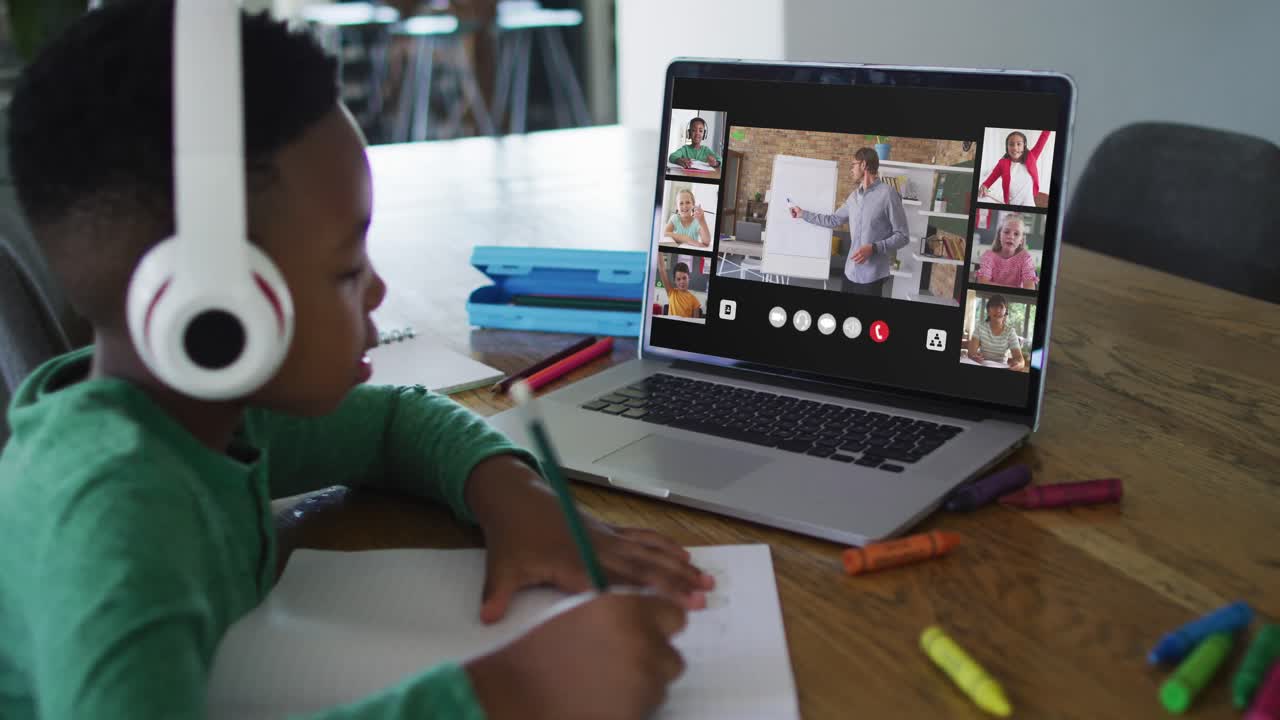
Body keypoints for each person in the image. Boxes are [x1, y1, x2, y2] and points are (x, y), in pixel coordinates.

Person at [0, 4, 713, 720]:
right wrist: (509, 694)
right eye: (346, 270)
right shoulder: (115, 523)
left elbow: (392, 422)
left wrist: (514, 498)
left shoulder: (202, 417)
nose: (376, 288)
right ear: (214, 313)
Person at [790, 147, 909, 296]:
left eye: (853, 164)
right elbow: (833, 220)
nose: (851, 169)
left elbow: (903, 236)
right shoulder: (853, 197)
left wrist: (874, 248)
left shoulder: (889, 194)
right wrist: (803, 214)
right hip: (849, 273)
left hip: (872, 277)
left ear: (864, 165)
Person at [979, 130, 1052, 207]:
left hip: (1029, 204)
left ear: (1024, 146)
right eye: (1011, 144)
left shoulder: (1032, 157)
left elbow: (1043, 138)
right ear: (1007, 147)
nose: (1015, 148)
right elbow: (991, 178)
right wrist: (984, 186)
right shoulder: (1002, 163)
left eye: (1019, 144)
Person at [974, 213, 1039, 289]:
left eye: (1016, 234)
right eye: (1006, 232)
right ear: (999, 235)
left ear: (1021, 240)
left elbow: (1029, 288)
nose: (1011, 236)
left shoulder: (1025, 258)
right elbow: (982, 284)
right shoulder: (989, 256)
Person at [966, 294, 1026, 371]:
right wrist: (974, 356)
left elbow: (1021, 360)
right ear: (988, 311)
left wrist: (1018, 365)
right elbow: (971, 353)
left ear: (1005, 312)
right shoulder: (980, 327)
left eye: (1001, 307)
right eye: (993, 306)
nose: (998, 310)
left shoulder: (1010, 332)